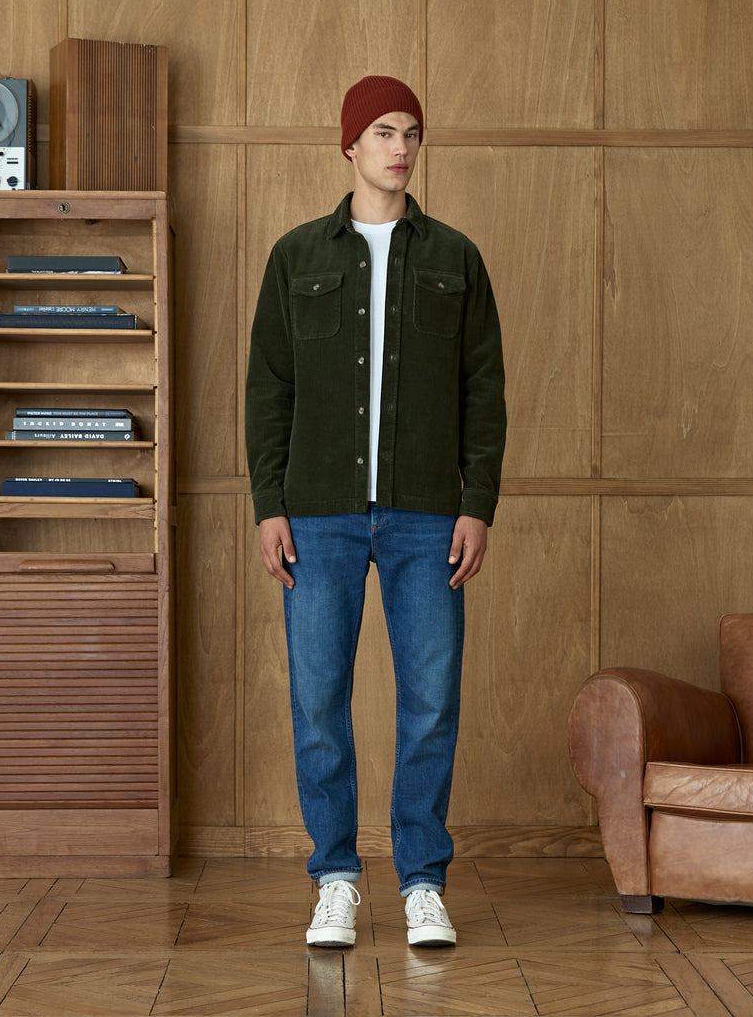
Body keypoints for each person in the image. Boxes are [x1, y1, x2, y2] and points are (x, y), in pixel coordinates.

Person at [245, 75, 506, 948]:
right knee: (319, 703)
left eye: (413, 133)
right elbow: (268, 389)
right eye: (385, 131)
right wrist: (268, 504)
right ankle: (336, 880)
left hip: (429, 514)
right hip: (316, 515)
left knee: (430, 703)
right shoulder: (297, 257)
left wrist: (478, 504)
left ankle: (423, 883)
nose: (401, 147)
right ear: (350, 144)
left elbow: (483, 389)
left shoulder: (456, 258)